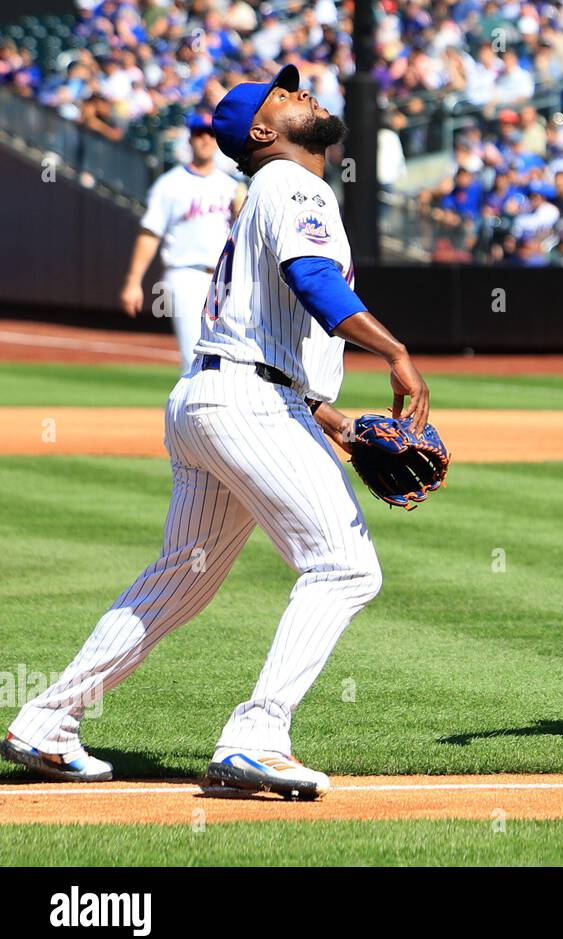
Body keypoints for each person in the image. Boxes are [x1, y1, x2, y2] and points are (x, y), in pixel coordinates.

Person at [2, 65, 432, 800]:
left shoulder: (266, 191)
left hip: (215, 397)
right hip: (246, 405)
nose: (304, 94)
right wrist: (393, 351)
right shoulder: (296, 183)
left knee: (181, 577)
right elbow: (314, 282)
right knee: (344, 567)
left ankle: (47, 719)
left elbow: (261, 322)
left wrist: (325, 415)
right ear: (264, 132)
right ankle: (258, 736)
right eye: (286, 95)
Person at [121, 114, 243, 370]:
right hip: (185, 275)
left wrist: (240, 210)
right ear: (190, 139)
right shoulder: (170, 184)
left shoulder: (231, 186)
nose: (206, 139)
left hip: (224, 280)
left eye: (211, 134)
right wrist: (133, 282)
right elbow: (150, 233)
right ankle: (186, 410)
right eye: (200, 133)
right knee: (193, 359)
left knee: (228, 358)